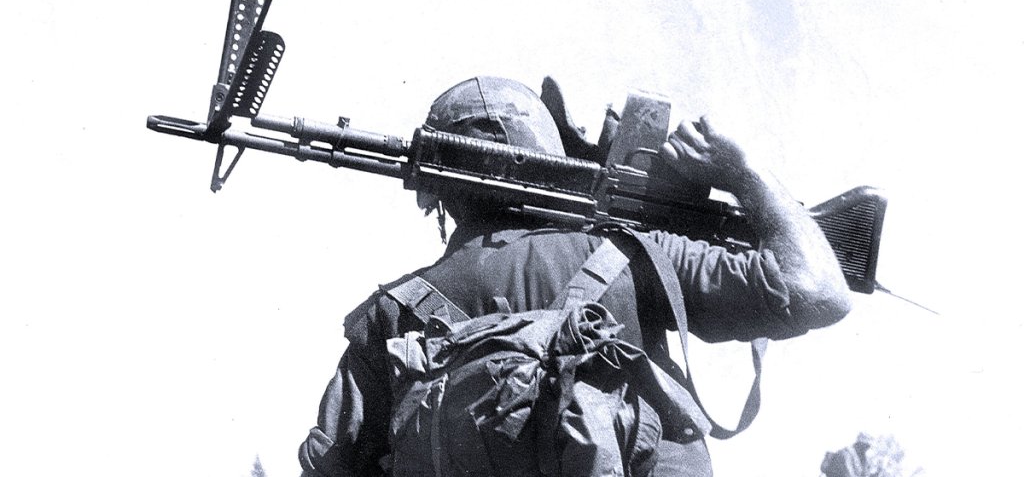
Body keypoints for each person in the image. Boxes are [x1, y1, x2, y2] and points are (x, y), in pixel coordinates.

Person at [297, 76, 852, 476]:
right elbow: (820, 293)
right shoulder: (635, 257)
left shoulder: (388, 317)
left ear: (432, 194)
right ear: (550, 161)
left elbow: (328, 467)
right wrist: (741, 171)